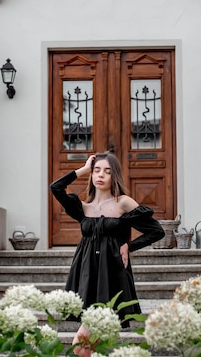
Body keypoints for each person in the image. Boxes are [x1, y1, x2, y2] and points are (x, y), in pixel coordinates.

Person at [50, 151, 165, 354]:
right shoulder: (82, 207)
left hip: (111, 273)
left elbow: (156, 231)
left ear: (114, 176)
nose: (100, 175)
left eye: (107, 171)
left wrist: (129, 246)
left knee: (83, 339)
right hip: (86, 273)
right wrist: (83, 169)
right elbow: (56, 187)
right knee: (92, 340)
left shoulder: (123, 202)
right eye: (96, 171)